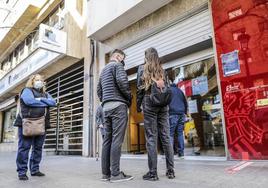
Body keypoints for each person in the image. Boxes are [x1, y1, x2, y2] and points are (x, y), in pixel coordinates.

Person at [136, 47, 175, 181]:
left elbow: (139, 90)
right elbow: (167, 87)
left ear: (146, 57)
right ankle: (171, 171)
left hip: (149, 102)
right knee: (166, 137)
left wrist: (138, 106)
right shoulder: (162, 70)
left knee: (151, 138)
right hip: (163, 105)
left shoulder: (142, 69)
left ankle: (153, 173)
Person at [97, 49, 133, 183]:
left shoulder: (103, 70)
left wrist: (105, 100)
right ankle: (116, 174)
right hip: (118, 106)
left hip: (106, 108)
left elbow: (98, 89)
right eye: (123, 58)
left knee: (107, 141)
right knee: (117, 140)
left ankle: (105, 174)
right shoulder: (117, 66)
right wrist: (129, 98)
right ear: (118, 57)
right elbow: (123, 83)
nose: (123, 62)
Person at [13, 74, 56, 181]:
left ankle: (35, 169)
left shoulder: (45, 94)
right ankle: (22, 172)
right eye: (37, 80)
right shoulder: (27, 90)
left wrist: (39, 99)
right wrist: (45, 103)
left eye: (41, 80)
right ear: (32, 81)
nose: (39, 81)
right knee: (24, 148)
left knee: (38, 148)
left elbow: (53, 103)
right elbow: (29, 101)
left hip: (42, 124)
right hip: (27, 123)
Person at [169, 79, 188, 158]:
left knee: (170, 134)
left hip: (173, 113)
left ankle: (170, 153)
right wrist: (185, 112)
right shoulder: (180, 91)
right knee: (180, 133)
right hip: (181, 114)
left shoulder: (169, 91)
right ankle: (181, 153)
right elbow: (185, 102)